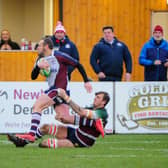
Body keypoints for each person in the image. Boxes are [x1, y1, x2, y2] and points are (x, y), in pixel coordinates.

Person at [10, 37, 92, 143]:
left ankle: (31, 135)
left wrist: (86, 81)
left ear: (46, 47)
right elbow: (33, 76)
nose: (37, 47)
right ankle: (92, 122)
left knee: (37, 106)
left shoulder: (60, 56)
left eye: (39, 45)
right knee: (64, 118)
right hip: (54, 90)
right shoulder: (39, 59)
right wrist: (37, 67)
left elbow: (78, 64)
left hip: (59, 89)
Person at [8, 89, 110, 148]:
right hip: (75, 133)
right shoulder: (91, 109)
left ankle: (26, 141)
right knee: (45, 127)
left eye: (98, 97)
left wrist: (66, 98)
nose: (95, 98)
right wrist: (62, 117)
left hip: (82, 142)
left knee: (44, 144)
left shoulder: (101, 113)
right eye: (95, 96)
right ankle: (22, 142)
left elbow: (80, 112)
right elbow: (73, 119)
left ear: (103, 102)